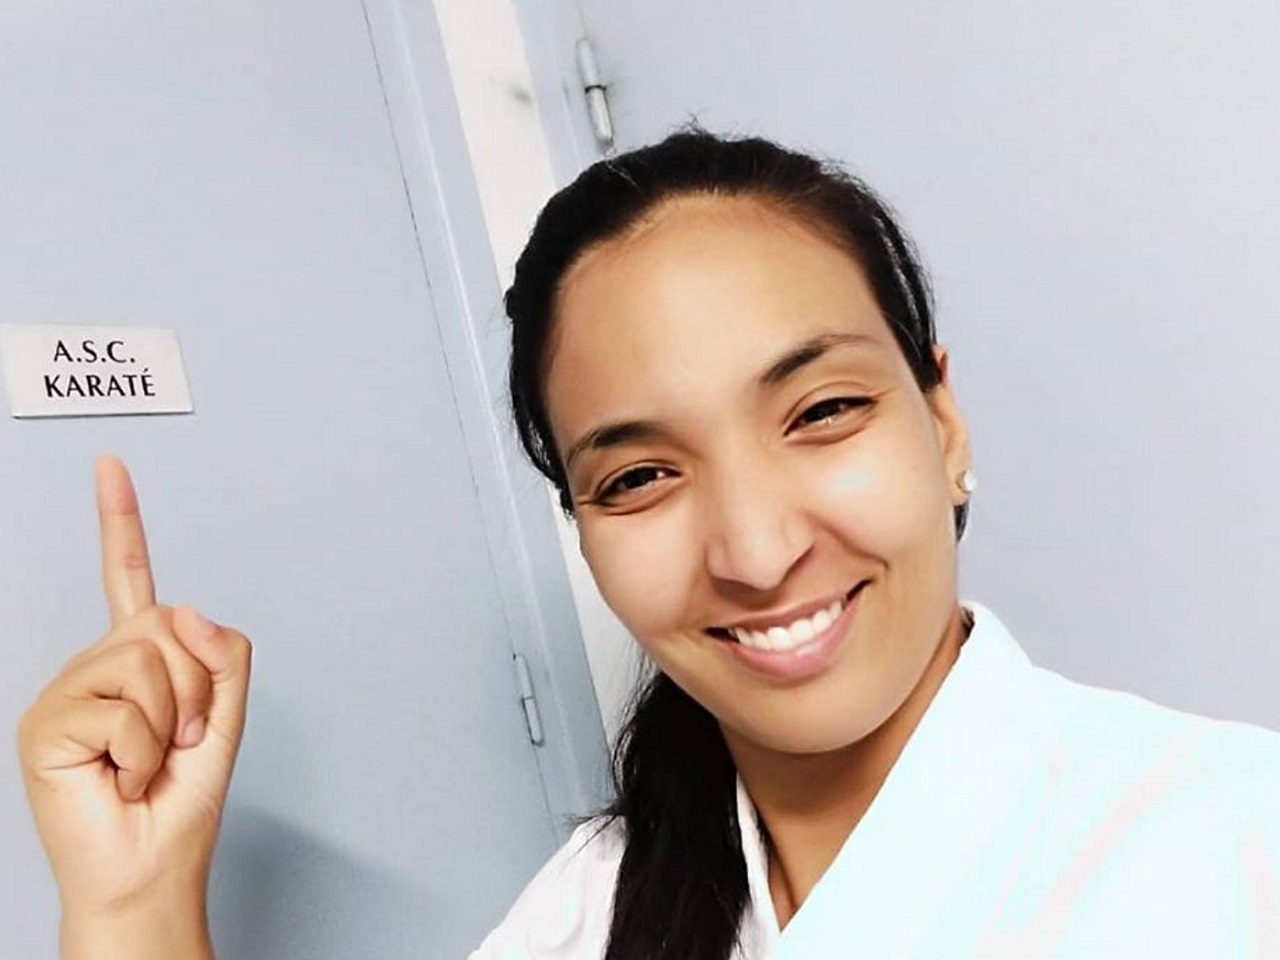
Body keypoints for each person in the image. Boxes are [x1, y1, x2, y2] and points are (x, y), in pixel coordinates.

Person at [17, 130, 1280, 960]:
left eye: (820, 411)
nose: (755, 548)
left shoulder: (1230, 841)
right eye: (637, 476)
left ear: (940, 420)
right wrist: (134, 904)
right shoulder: (595, 905)